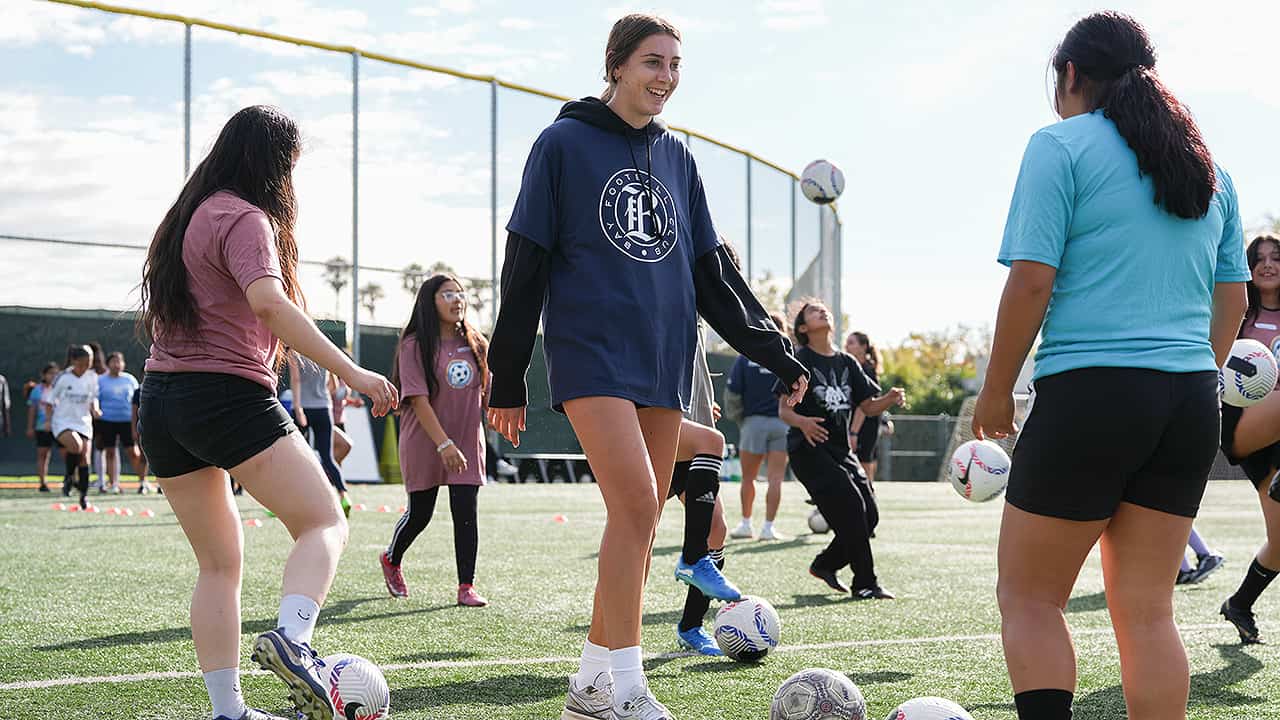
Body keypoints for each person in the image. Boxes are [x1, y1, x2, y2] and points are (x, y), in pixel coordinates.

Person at [486, 15, 807, 720]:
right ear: (617, 66)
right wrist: (507, 374)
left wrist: (773, 349)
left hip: (663, 355)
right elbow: (525, 263)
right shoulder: (562, 144)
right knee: (634, 503)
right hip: (592, 353)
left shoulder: (679, 159)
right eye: (651, 62)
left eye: (674, 65)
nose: (664, 78)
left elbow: (711, 271)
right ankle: (627, 688)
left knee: (637, 520)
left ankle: (589, 687)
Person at [971, 13, 1248, 720]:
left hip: (1092, 394)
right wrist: (1190, 380)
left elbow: (1032, 280)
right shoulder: (1210, 170)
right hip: (1188, 401)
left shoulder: (1059, 145)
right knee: (1148, 611)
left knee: (1030, 599)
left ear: (1070, 75)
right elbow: (1233, 298)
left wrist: (996, 389)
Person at [137, 105, 398, 720]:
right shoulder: (247, 217)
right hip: (226, 396)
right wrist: (353, 372)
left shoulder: (186, 218)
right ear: (275, 164)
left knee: (219, 564)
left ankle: (228, 710)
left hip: (162, 401)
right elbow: (270, 305)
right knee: (324, 521)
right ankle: (295, 640)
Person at [780, 300, 904, 600]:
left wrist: (888, 398)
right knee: (851, 507)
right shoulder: (799, 359)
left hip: (840, 451)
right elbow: (783, 409)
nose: (822, 311)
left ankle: (826, 564)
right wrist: (803, 423)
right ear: (803, 328)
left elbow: (867, 406)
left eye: (824, 309)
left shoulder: (847, 362)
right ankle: (865, 582)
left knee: (869, 515)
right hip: (809, 450)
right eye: (813, 311)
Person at [380, 274, 491, 607]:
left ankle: (466, 586)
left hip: (467, 442)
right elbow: (418, 400)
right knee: (420, 514)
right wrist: (444, 445)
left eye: (460, 293)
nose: (457, 299)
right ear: (431, 302)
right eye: (447, 294)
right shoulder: (414, 345)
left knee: (466, 512)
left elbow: (486, 393)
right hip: (426, 440)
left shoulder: (477, 343)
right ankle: (391, 558)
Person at [1218, 232, 1280, 644]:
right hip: (1243, 426)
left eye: (1276, 257)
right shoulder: (1237, 314)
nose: (1267, 264)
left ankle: (1239, 603)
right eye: (1258, 258)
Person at [669, 317, 742, 656]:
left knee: (716, 530)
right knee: (637, 535)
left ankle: (690, 626)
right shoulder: (663, 286)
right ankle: (608, 641)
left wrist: (700, 407)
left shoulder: (696, 316)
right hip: (654, 423)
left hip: (690, 432)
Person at [728, 311, 792, 541]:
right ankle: (768, 528)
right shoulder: (787, 357)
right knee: (775, 479)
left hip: (753, 423)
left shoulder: (746, 356)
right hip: (783, 423)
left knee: (748, 478)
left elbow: (733, 393)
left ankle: (746, 524)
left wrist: (741, 420)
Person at [289, 350, 350, 515]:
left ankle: (289, 501)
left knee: (296, 457)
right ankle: (343, 495)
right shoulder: (323, 351)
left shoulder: (295, 352)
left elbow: (295, 380)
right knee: (327, 456)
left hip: (304, 408)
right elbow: (334, 386)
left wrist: (297, 407)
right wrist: (320, 393)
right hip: (324, 408)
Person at [45, 345, 100, 509]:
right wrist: (48, 420)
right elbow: (50, 401)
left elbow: (93, 397)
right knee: (76, 446)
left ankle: (83, 496)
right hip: (63, 421)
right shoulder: (63, 377)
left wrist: (95, 408)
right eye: (83, 363)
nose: (85, 367)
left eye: (89, 363)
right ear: (74, 361)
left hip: (83, 422)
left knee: (84, 457)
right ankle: (69, 477)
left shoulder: (92, 377)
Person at [97, 352, 141, 494]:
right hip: (107, 421)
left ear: (123, 364)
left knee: (133, 452)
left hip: (127, 421)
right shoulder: (100, 380)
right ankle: (114, 483)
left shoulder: (130, 380)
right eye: (113, 361)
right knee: (110, 451)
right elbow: (95, 399)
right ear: (108, 364)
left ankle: (142, 482)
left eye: (119, 361)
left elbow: (137, 400)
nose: (116, 364)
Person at [846, 331, 885, 484]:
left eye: (851, 343)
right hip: (854, 424)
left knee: (864, 464)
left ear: (863, 347)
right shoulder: (852, 368)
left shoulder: (867, 370)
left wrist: (854, 433)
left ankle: (869, 501)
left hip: (865, 425)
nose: (847, 346)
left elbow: (865, 405)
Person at [25, 362, 59, 493]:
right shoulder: (37, 390)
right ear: (44, 375)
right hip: (42, 427)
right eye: (50, 373)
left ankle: (71, 480)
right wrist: (30, 427)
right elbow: (32, 410)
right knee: (43, 455)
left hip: (60, 427)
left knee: (68, 453)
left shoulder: (60, 388)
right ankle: (43, 482)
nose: (53, 376)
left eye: (55, 374)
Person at [86, 341, 110, 491]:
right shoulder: (82, 374)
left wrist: (97, 411)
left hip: (101, 417)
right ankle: (85, 478)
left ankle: (102, 481)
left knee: (100, 447)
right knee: (87, 448)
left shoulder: (102, 375)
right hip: (83, 417)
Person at [131, 385, 155, 494]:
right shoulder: (139, 391)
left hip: (160, 428)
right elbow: (134, 412)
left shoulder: (162, 388)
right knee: (143, 456)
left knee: (163, 457)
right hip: (144, 428)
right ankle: (142, 483)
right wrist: (134, 430)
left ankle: (161, 485)